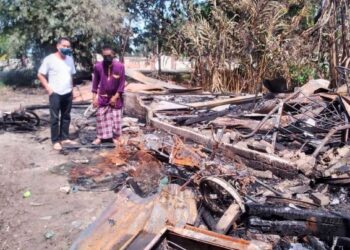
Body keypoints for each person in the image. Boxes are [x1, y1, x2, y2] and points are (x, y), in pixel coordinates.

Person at [38, 37, 77, 150]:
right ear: (58, 46)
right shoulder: (49, 59)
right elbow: (40, 74)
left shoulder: (70, 58)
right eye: (64, 46)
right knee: (55, 117)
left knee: (66, 116)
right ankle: (55, 140)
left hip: (68, 92)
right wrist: (48, 88)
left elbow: (71, 75)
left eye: (68, 46)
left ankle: (64, 138)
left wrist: (72, 89)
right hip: (55, 92)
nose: (66, 48)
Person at [91, 45, 125, 145]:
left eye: (109, 56)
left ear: (113, 55)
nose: (107, 58)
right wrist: (94, 98)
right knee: (101, 118)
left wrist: (115, 97)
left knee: (116, 118)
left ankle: (116, 136)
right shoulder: (98, 66)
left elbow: (122, 85)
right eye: (105, 56)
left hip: (116, 97)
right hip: (103, 97)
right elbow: (95, 84)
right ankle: (100, 137)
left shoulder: (120, 66)